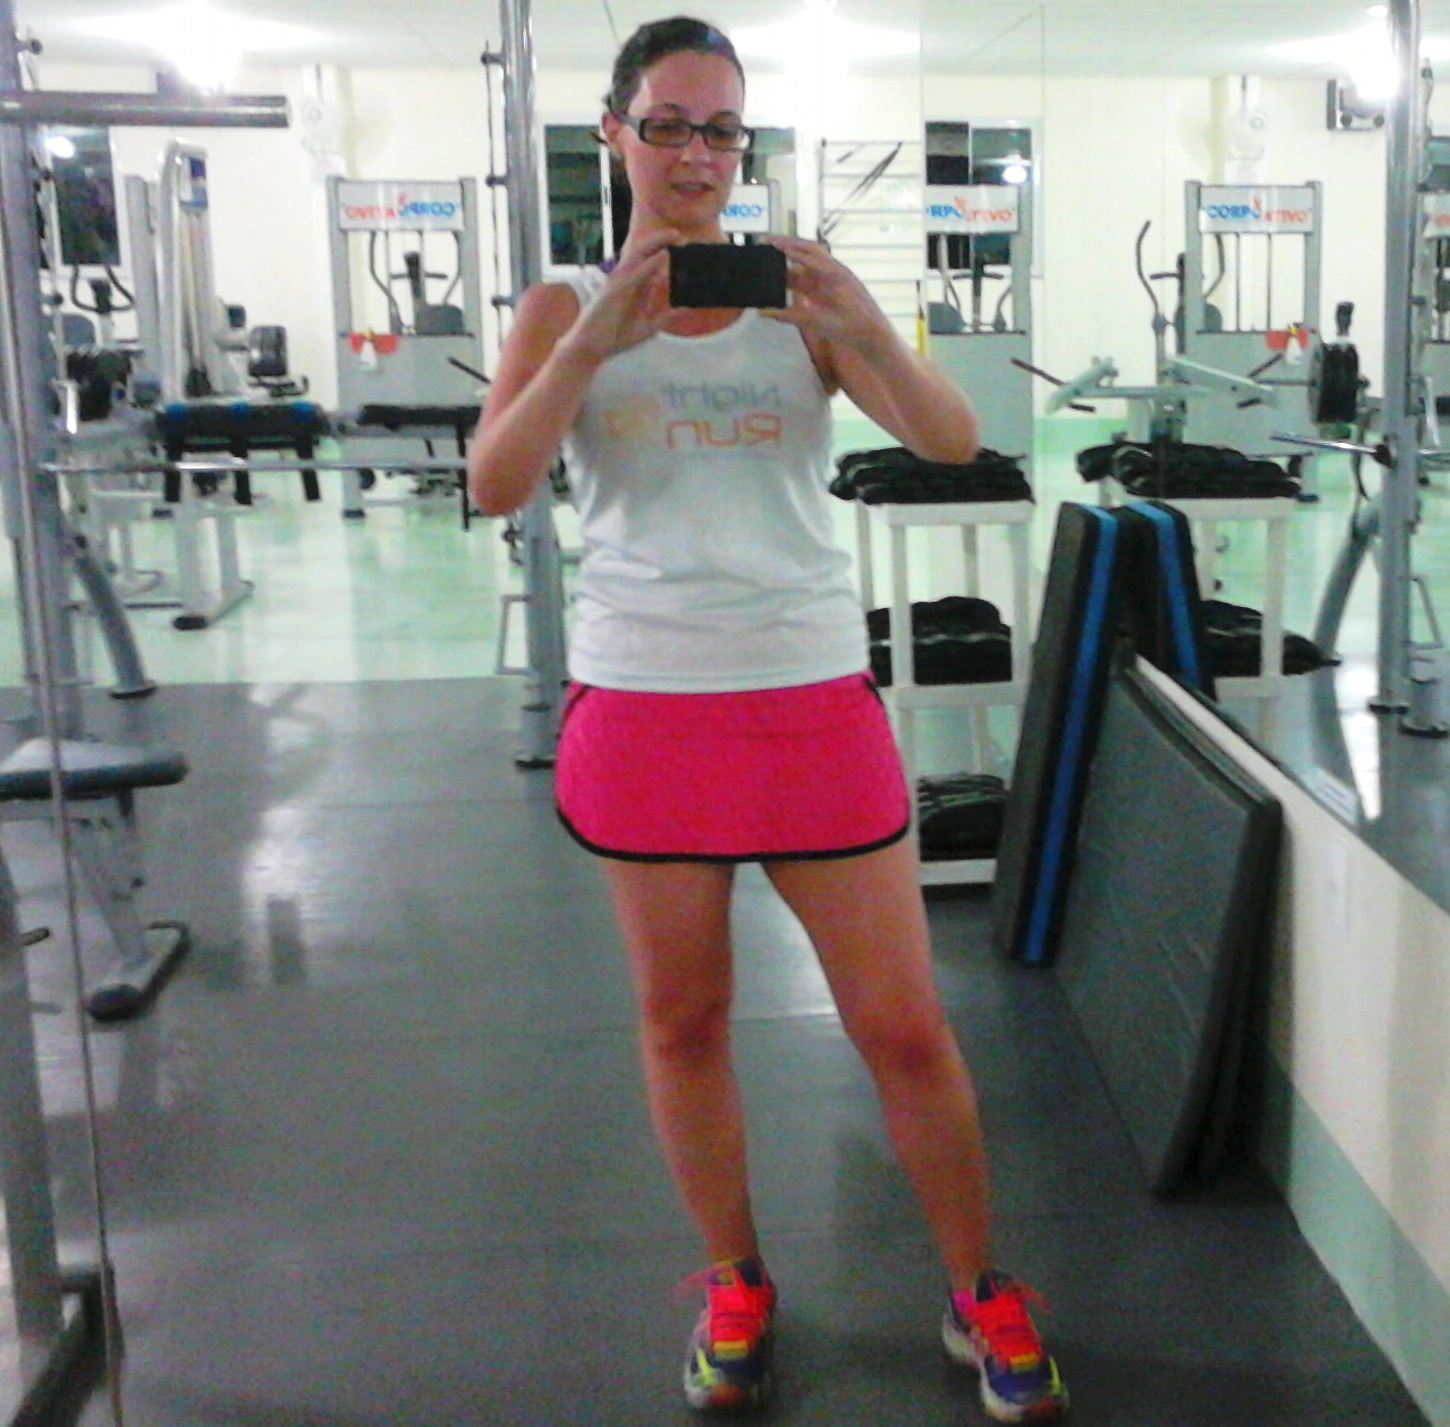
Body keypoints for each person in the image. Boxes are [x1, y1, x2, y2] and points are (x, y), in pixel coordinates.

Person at [467, 16, 1067, 1422]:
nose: (696, 156)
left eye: (722, 129)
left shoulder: (798, 294)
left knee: (903, 1027)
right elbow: (496, 484)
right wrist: (592, 342)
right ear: (614, 132)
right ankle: (734, 1281)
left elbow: (949, 439)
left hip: (806, 696)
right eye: (668, 125)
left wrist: (858, 325)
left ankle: (976, 1289)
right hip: (646, 703)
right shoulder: (559, 305)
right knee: (684, 1021)